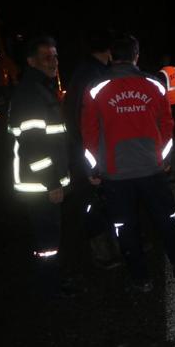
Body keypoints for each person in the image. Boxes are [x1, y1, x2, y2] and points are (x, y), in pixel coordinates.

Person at [81, 34, 175, 293]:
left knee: (125, 227)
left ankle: (141, 278)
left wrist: (95, 168)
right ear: (136, 55)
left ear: (111, 55)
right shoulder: (155, 84)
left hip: (115, 174)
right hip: (152, 169)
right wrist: (162, 159)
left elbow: (89, 135)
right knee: (166, 217)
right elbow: (167, 125)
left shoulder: (94, 88)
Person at [8, 36, 74, 297]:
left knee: (47, 237)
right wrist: (52, 181)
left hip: (40, 182)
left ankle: (49, 281)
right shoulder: (31, 94)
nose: (54, 62)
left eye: (56, 56)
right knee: (47, 239)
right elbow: (33, 146)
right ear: (31, 61)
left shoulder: (39, 89)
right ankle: (50, 287)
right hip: (39, 184)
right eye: (47, 57)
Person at [62, 28, 122, 270]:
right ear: (109, 51)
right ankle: (102, 252)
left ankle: (115, 245)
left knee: (105, 200)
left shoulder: (89, 71)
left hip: (91, 149)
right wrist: (89, 163)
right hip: (87, 151)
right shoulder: (91, 75)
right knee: (92, 202)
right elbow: (81, 120)